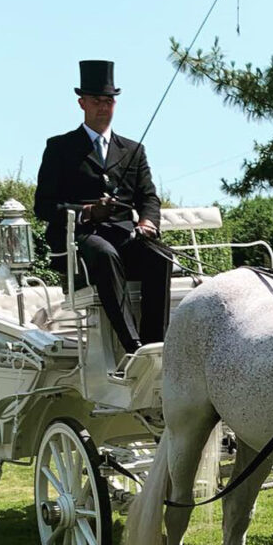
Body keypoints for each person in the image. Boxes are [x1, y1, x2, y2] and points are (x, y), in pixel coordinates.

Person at [33, 60, 171, 367]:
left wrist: (147, 222)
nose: (103, 108)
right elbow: (43, 206)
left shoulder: (133, 150)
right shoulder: (59, 148)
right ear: (82, 103)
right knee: (105, 254)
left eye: (108, 101)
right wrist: (87, 211)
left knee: (160, 255)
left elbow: (149, 197)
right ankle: (132, 346)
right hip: (82, 239)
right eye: (96, 101)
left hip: (124, 235)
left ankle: (155, 343)